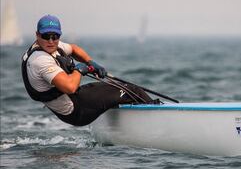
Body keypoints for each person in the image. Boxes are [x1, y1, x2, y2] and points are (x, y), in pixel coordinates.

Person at [21, 14, 153, 126]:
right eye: (46, 36)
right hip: (76, 110)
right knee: (132, 90)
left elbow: (73, 49)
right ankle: (155, 115)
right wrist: (79, 70)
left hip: (76, 100)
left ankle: (128, 122)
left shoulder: (50, 46)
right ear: (37, 35)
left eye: (55, 36)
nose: (50, 40)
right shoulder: (40, 60)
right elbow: (70, 87)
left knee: (117, 87)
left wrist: (90, 62)